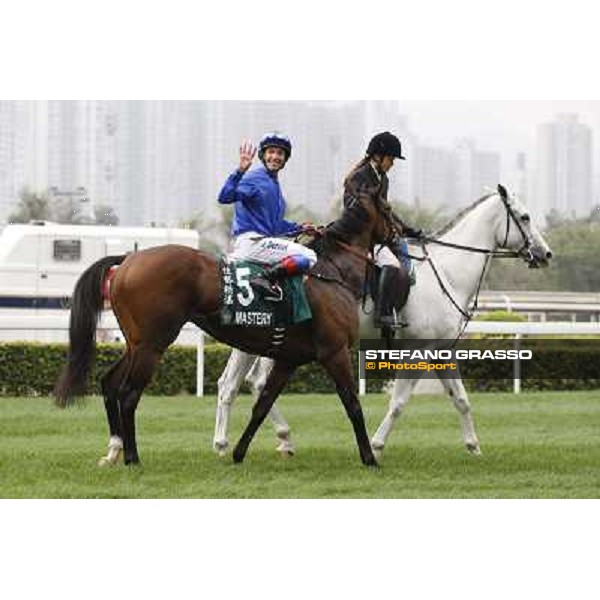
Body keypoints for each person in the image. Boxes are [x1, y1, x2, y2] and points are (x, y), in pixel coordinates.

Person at [218, 132, 316, 298]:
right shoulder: (254, 179)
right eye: (271, 152)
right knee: (309, 256)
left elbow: (275, 225)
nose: (275, 157)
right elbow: (224, 197)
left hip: (262, 243)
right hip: (254, 243)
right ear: (263, 156)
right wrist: (240, 171)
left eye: (280, 153)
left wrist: (301, 228)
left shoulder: (273, 184)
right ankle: (265, 278)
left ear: (285, 159)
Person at [343, 131, 422, 329]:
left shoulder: (383, 179)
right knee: (391, 263)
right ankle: (382, 314)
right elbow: (355, 210)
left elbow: (385, 211)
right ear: (378, 156)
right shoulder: (358, 177)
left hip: (377, 235)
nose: (392, 163)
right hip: (359, 235)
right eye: (391, 158)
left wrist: (406, 229)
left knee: (402, 252)